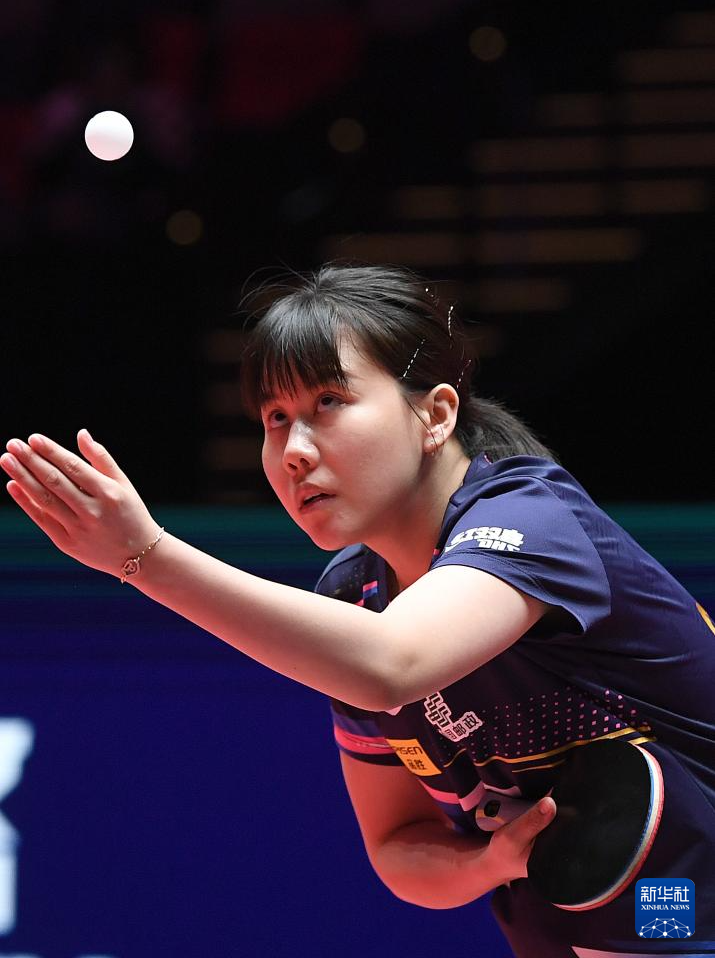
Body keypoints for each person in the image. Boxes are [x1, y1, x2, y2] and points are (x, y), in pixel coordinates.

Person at [2, 263, 714, 957]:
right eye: (275, 418)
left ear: (435, 415)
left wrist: (146, 557)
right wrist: (492, 862)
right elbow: (395, 845)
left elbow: (391, 664)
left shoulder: (531, 523)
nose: (293, 450)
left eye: (328, 403)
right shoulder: (353, 594)